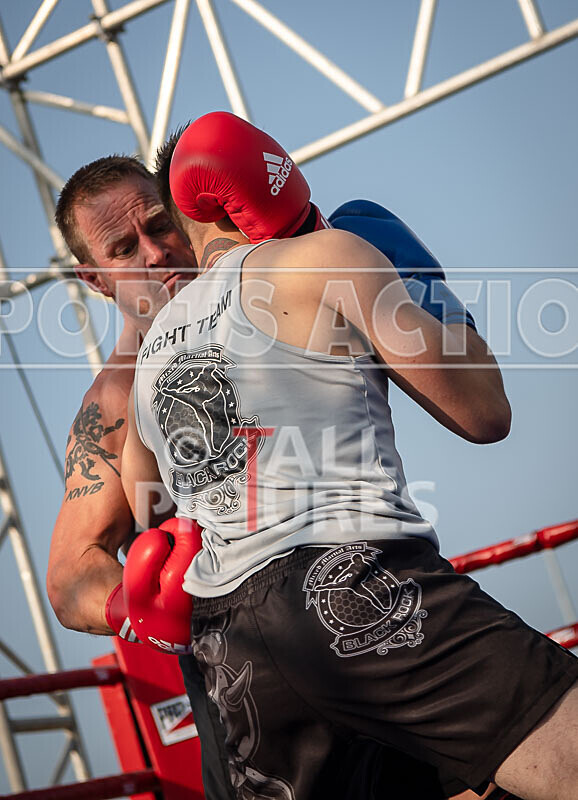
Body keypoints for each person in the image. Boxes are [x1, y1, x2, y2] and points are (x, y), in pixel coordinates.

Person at [119, 113, 578, 800]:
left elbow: (145, 502)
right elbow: (484, 413)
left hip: (234, 655)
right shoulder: (329, 255)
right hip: (358, 583)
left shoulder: (147, 360)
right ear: (260, 173)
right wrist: (422, 286)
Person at [47, 149, 487, 800]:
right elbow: (68, 572)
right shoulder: (117, 398)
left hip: (379, 622)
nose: (155, 252)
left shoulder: (285, 291)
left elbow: (465, 401)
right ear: (94, 278)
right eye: (123, 246)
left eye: (159, 225)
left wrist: (393, 284)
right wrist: (142, 602)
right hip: (254, 698)